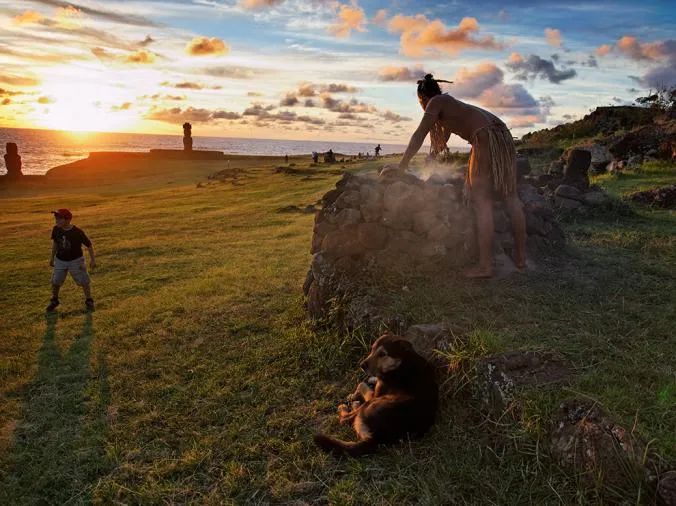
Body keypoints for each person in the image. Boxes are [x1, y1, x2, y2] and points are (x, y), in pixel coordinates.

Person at [395, 74, 526, 278]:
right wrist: (431, 160)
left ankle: (485, 266)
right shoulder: (450, 105)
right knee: (511, 196)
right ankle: (521, 259)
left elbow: (419, 134)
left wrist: (401, 167)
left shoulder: (436, 102)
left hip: (485, 136)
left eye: (420, 103)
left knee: (481, 199)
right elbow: (439, 147)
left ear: (422, 98)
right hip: (504, 137)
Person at [47, 208, 96, 311]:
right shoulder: (56, 229)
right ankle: (54, 300)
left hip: (76, 260)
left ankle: (89, 300)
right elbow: (55, 243)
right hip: (60, 260)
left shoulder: (77, 232)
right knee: (56, 281)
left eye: (60, 218)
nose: (56, 221)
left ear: (68, 219)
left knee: (84, 281)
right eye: (56, 218)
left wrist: (92, 260)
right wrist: (52, 257)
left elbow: (89, 245)